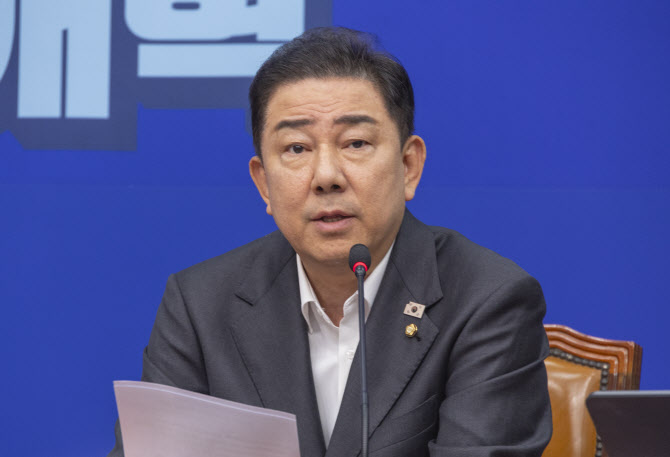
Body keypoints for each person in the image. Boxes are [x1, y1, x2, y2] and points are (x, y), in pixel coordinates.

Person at [108, 27, 552, 457]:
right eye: (296, 148)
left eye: (355, 143)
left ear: (409, 166)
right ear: (263, 183)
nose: (326, 177)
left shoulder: (486, 300)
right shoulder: (201, 305)